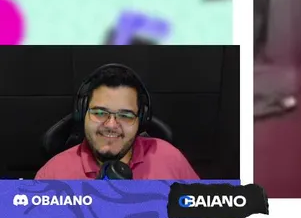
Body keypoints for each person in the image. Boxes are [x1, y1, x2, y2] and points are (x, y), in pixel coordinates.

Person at [35, 64, 200, 180]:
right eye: (100, 113)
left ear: (141, 119)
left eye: (125, 115)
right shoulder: (52, 176)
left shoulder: (170, 159)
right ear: (83, 114)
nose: (111, 125)